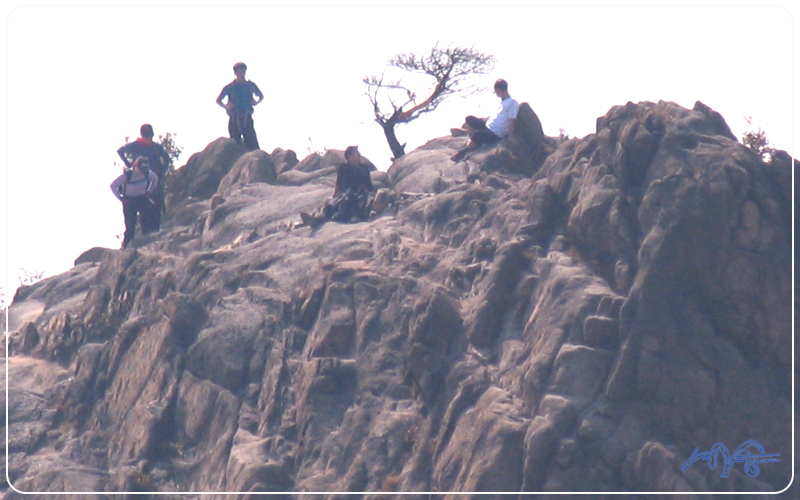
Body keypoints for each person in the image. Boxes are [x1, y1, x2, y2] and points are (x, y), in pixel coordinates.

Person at [300, 146, 375, 228]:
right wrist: (335, 197)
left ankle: (355, 217)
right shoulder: (343, 167)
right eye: (356, 153)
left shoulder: (364, 168)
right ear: (349, 156)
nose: (359, 155)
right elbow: (338, 184)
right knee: (331, 204)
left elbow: (369, 186)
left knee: (357, 201)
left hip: (359, 194)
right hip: (344, 194)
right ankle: (317, 220)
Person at [117, 124, 172, 230]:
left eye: (150, 136)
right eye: (147, 136)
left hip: (154, 179)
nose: (149, 139)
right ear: (142, 135)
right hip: (140, 180)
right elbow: (120, 151)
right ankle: (144, 231)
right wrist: (129, 164)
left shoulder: (156, 147)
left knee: (157, 204)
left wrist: (162, 172)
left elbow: (166, 158)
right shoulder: (135, 146)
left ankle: (155, 229)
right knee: (143, 208)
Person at [451, 78, 519, 161]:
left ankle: (463, 153)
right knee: (469, 119)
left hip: (496, 133)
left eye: (496, 91)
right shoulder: (502, 102)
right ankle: (473, 141)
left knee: (478, 134)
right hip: (488, 127)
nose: (496, 93)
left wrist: (510, 135)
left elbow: (512, 119)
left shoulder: (512, 102)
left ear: (498, 89)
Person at [110, 156, 159, 249]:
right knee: (130, 225)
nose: (142, 172)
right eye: (140, 169)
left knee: (146, 221)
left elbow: (155, 180)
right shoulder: (127, 175)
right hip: (129, 201)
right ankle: (126, 246)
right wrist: (121, 198)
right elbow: (113, 185)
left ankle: (147, 243)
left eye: (144, 170)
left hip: (142, 198)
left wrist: (148, 192)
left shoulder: (147, 174)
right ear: (135, 166)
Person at [216, 62, 264, 151]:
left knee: (252, 142)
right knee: (235, 143)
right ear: (235, 73)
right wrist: (227, 106)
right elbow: (218, 100)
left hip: (247, 116)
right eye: (239, 71)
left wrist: (255, 102)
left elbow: (261, 96)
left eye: (243, 70)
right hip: (234, 117)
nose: (242, 73)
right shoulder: (230, 87)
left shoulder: (250, 85)